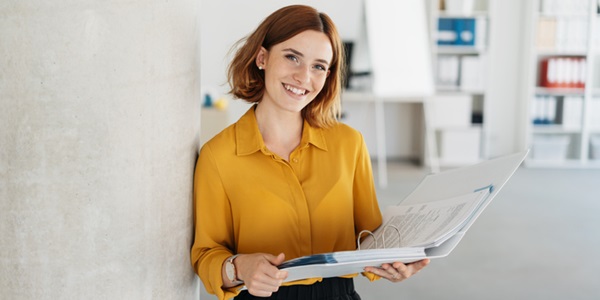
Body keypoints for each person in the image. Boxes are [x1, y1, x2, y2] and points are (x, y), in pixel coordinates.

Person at [190, 5, 429, 300]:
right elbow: (205, 254)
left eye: (318, 66)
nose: (304, 77)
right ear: (262, 57)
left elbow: (371, 238)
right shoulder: (219, 156)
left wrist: (393, 263)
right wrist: (239, 266)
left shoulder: (349, 144)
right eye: (292, 57)